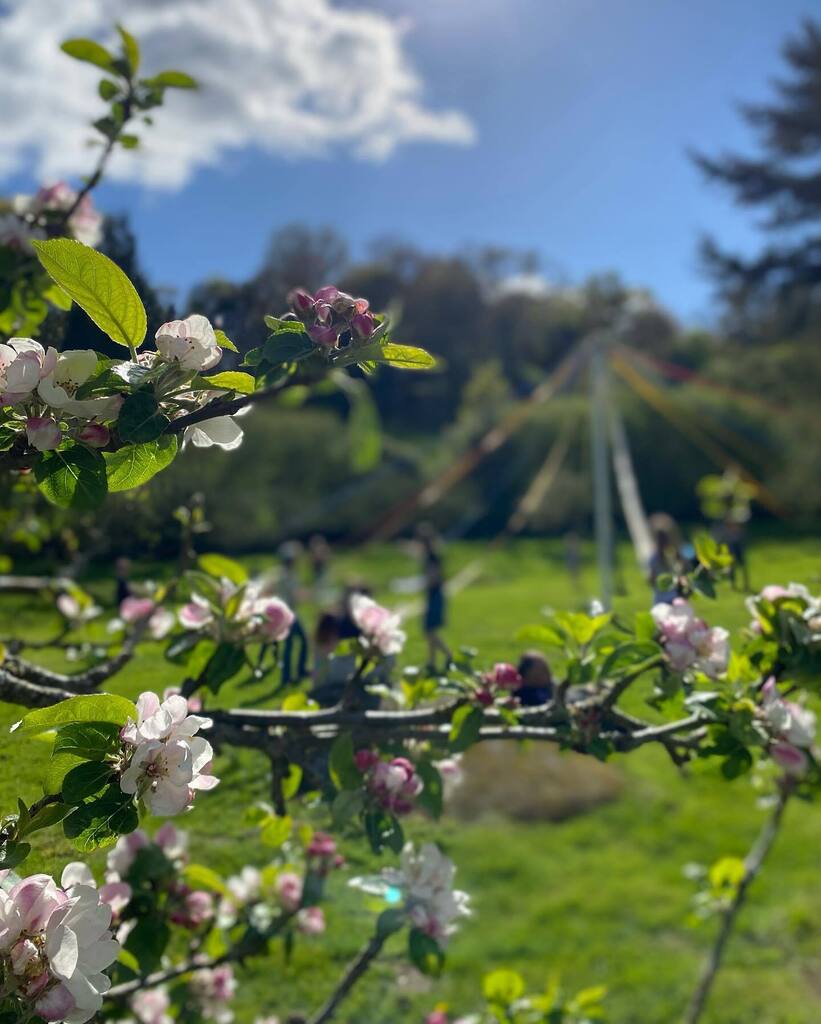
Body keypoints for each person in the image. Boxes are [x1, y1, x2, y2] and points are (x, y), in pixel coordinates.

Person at [416, 522, 452, 673]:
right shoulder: (431, 555)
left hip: (435, 595)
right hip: (434, 595)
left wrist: (421, 583)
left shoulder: (432, 557)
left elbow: (434, 577)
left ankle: (448, 654)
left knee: (429, 630)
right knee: (430, 631)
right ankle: (431, 661)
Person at [278, 541, 309, 685]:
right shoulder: (287, 576)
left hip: (289, 613)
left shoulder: (286, 574)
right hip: (289, 615)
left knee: (295, 644)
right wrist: (305, 595)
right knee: (296, 643)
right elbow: (293, 596)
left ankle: (294, 673)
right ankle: (291, 675)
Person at [646, 513, 681, 605]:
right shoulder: (657, 558)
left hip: (671, 597)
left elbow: (651, 579)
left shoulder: (670, 556)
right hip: (665, 597)